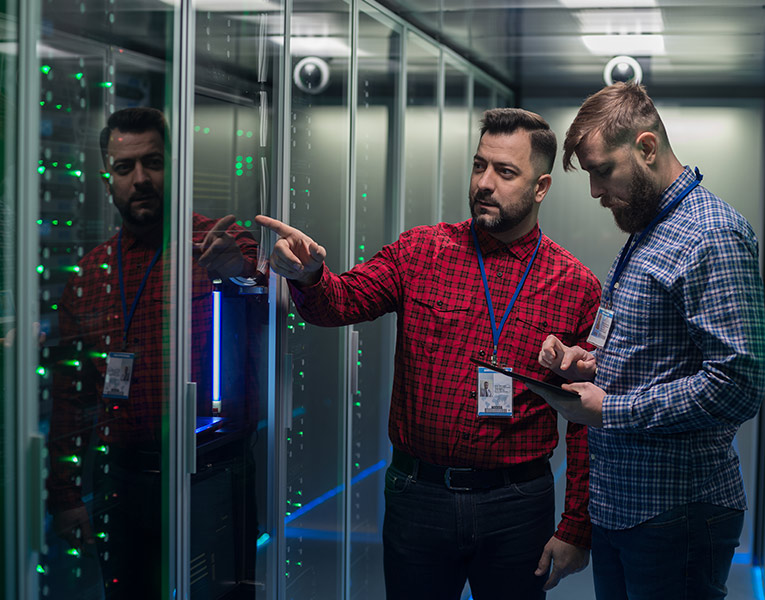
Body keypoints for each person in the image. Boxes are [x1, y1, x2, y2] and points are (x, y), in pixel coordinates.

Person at [256, 108, 603, 599]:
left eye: (505, 172)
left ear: (541, 186)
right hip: (419, 495)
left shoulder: (575, 285)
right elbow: (341, 301)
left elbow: (586, 417)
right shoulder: (422, 251)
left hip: (517, 502)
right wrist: (309, 275)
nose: (485, 183)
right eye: (479, 165)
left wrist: (575, 527)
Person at [525, 82, 765, 600]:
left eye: (600, 170)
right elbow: (645, 353)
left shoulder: (711, 234)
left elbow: (738, 384)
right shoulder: (648, 229)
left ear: (647, 148)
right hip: (622, 507)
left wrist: (612, 409)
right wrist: (582, 362)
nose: (593, 190)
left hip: (676, 513)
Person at [46, 107, 260, 599]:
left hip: (211, 472)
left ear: (174, 166)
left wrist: (236, 273)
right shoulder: (91, 273)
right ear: (107, 178)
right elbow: (70, 398)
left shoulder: (213, 244)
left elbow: (263, 283)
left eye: (154, 162)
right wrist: (65, 496)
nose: (140, 179)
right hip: (123, 481)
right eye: (125, 168)